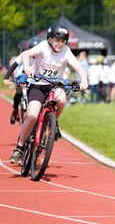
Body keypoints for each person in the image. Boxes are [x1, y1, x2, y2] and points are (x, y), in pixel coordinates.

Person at [8, 24, 88, 164]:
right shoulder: (43, 46)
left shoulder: (66, 51)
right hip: (38, 85)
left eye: (62, 41)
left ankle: (53, 122)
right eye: (57, 40)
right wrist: (27, 67)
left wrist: (84, 80)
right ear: (50, 39)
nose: (59, 44)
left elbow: (79, 68)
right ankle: (19, 148)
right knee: (32, 115)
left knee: (62, 99)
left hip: (55, 86)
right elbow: (26, 54)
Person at [3, 37, 42, 124]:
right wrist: (6, 78)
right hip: (22, 76)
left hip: (35, 78)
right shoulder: (25, 54)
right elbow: (13, 66)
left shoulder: (43, 55)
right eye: (32, 49)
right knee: (19, 93)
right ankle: (15, 110)